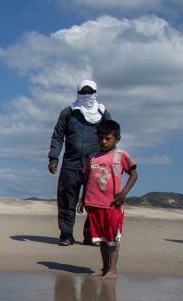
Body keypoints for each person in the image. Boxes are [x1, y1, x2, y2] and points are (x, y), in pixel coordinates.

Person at [49, 80, 113, 246]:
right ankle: (66, 235)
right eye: (83, 92)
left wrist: (111, 161)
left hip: (96, 165)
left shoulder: (103, 113)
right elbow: (58, 135)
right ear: (78, 93)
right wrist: (53, 158)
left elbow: (111, 136)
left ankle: (91, 235)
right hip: (71, 163)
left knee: (94, 203)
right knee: (66, 201)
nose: (86, 96)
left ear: (95, 93)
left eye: (89, 92)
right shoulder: (69, 112)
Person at [76, 119, 137, 279]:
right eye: (100, 138)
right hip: (94, 204)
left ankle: (113, 269)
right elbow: (87, 179)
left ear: (117, 139)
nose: (103, 141)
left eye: (107, 138)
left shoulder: (120, 155)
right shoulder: (93, 157)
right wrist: (83, 199)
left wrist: (123, 193)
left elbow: (134, 174)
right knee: (102, 239)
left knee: (113, 239)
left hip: (112, 205)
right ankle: (104, 267)